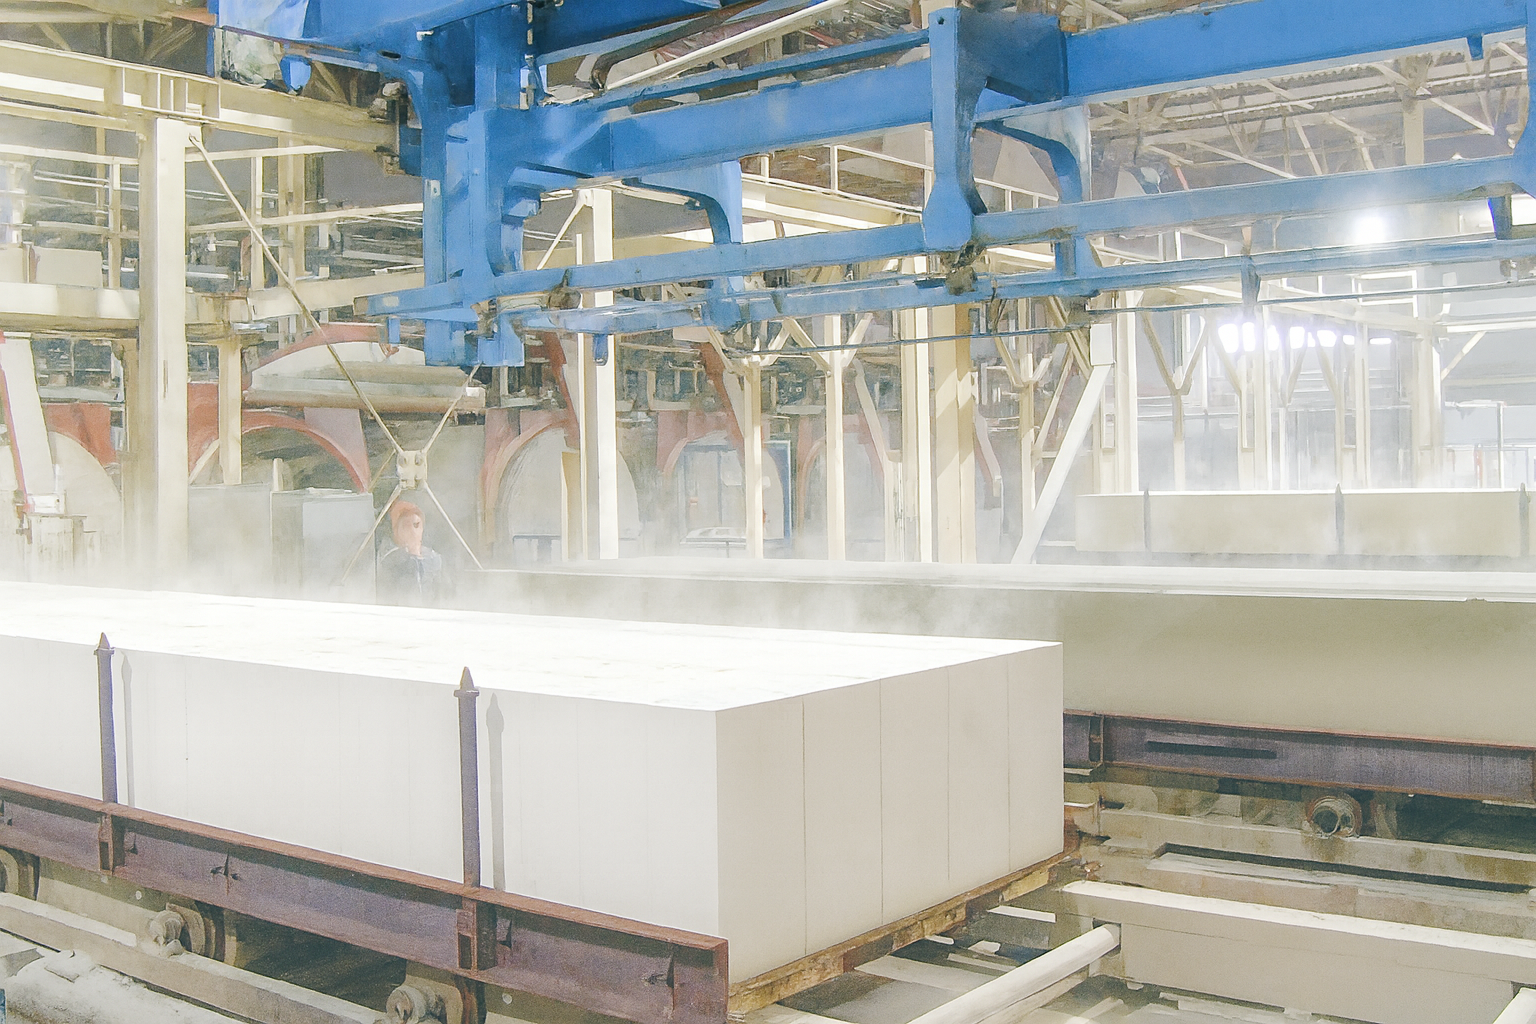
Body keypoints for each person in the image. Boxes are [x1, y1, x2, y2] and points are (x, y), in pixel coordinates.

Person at [377, 499, 452, 606]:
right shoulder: (391, 562)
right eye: (406, 526)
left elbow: (445, 594)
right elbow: (385, 596)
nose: (412, 531)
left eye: (416, 525)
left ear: (422, 528)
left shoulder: (435, 559)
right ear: (397, 531)